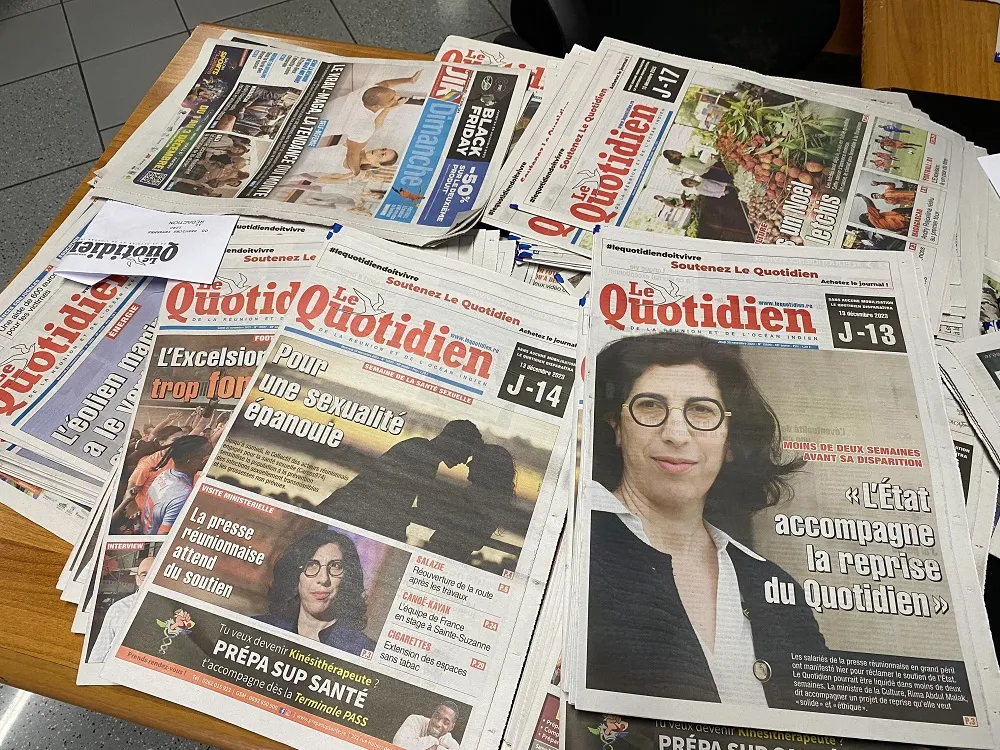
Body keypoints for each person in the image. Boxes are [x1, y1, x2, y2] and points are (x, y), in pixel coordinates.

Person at [586, 332, 826, 708]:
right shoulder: (578, 540)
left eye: (701, 410)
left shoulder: (775, 587)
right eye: (650, 406)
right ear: (617, 426)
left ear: (730, 441)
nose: (676, 434)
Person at [316, 420, 484, 541]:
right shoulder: (423, 454)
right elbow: (421, 504)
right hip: (347, 513)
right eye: (466, 452)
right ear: (455, 443)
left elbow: (413, 500)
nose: (464, 460)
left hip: (345, 510)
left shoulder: (423, 451)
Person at [256, 528, 375, 656]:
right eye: (311, 565)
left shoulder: (364, 650)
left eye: (335, 566)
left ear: (347, 578)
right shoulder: (260, 628)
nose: (323, 579)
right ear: (295, 575)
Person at [421, 444, 516, 563]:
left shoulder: (476, 495)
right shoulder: (495, 500)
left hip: (443, 552)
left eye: (475, 460)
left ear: (486, 467)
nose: (468, 464)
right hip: (454, 555)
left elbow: (438, 514)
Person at [139, 435, 212, 535]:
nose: (212, 457)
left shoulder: (165, 474)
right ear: (192, 462)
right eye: (208, 454)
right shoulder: (183, 495)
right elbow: (162, 536)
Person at [89, 556, 154, 663]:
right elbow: (100, 651)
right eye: (144, 575)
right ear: (137, 579)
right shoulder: (118, 608)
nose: (149, 580)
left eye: (154, 574)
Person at [392, 702, 461, 749]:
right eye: (437, 716)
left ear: (451, 727)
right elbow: (397, 744)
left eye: (446, 722)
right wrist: (433, 740)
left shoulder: (453, 745)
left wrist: (436, 748)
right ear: (432, 715)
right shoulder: (415, 720)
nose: (438, 723)